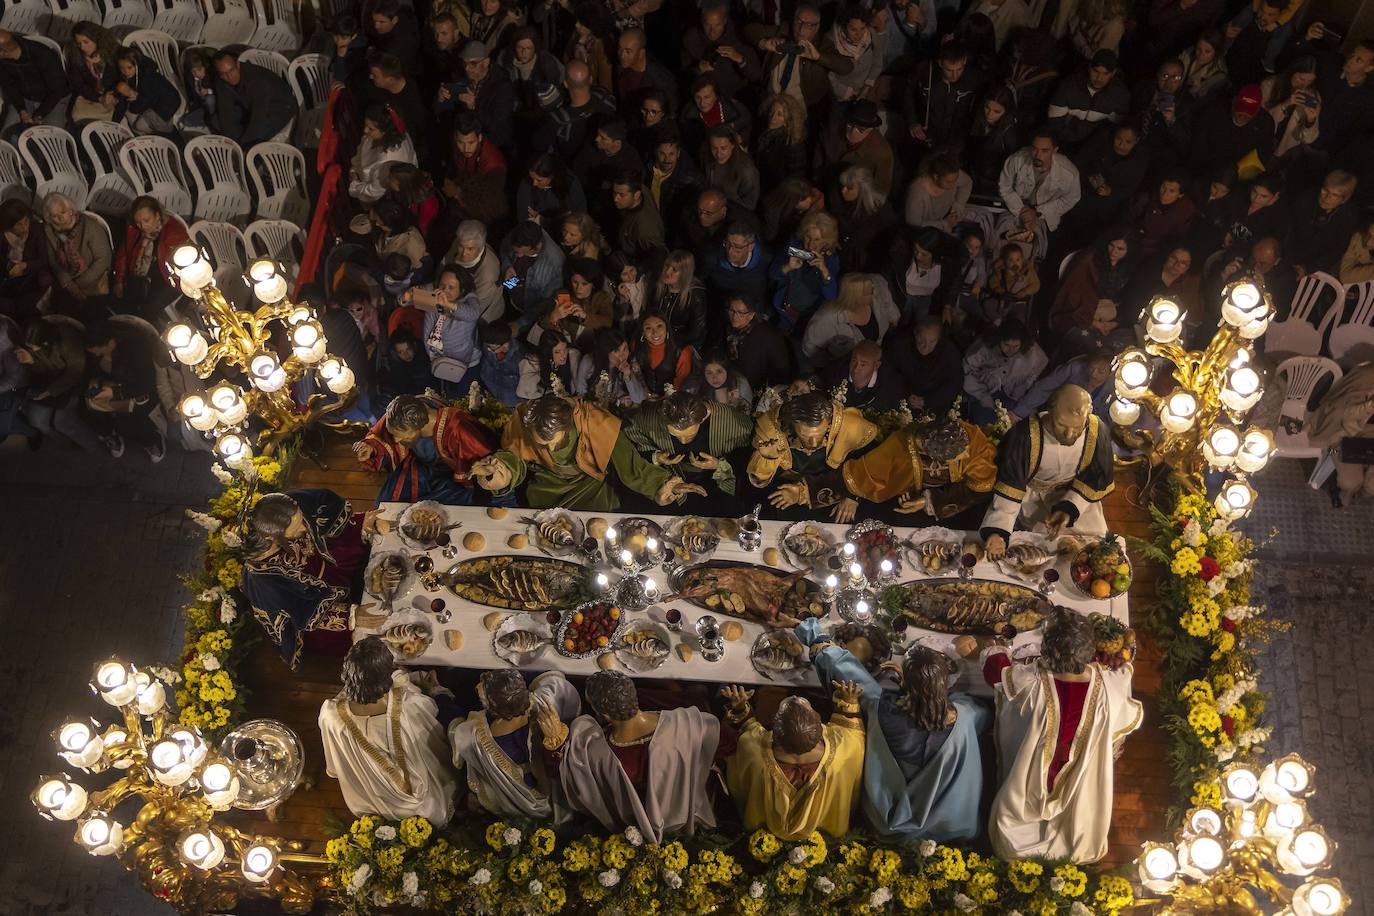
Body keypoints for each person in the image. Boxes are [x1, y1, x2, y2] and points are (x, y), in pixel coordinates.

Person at [798, 621, 989, 842]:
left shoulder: (882, 710)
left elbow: (848, 674)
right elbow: (984, 714)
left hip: (886, 821)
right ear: (944, 684)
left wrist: (816, 637)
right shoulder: (965, 717)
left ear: (905, 681)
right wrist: (920, 693)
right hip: (947, 827)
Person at [984, 609, 1142, 862]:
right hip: (1079, 777)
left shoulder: (1030, 681)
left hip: (1031, 778)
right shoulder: (1110, 689)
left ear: (1046, 649)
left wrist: (997, 649)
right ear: (1089, 652)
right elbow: (1125, 718)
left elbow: (995, 672)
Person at [539, 669, 724, 842]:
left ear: (604, 714)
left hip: (629, 821)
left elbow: (565, 776)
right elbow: (727, 741)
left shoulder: (599, 753)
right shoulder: (686, 724)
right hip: (683, 813)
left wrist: (555, 740)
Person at [471, 392, 704, 510]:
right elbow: (515, 458)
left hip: (590, 490)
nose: (549, 449)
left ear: (568, 425)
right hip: (545, 492)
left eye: (554, 442)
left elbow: (631, 465)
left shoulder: (593, 421)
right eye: (542, 444)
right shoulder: (523, 420)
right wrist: (500, 471)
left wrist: (665, 485)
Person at [319, 637, 458, 825]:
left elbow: (335, 764)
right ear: (385, 674)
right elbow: (434, 735)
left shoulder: (331, 714)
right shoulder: (408, 707)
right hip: (421, 802)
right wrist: (434, 691)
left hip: (368, 798)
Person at [241, 489, 380, 668]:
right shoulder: (264, 581)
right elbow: (298, 610)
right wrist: (351, 617)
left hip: (327, 567)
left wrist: (361, 524)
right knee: (370, 633)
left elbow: (321, 503)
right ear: (271, 536)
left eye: (301, 520)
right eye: (297, 528)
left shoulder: (284, 507)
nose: (306, 528)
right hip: (308, 607)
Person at [722, 677, 865, 839]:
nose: (797, 697)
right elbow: (851, 728)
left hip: (765, 837)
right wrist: (849, 701)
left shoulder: (754, 752)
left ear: (774, 732)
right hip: (825, 838)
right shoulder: (843, 752)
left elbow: (746, 731)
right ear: (819, 728)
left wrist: (741, 708)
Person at [982, 385, 1115, 557]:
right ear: (1049, 411)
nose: (1069, 435)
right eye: (1061, 425)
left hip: (1076, 495)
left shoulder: (1097, 433)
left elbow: (1095, 478)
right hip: (1034, 495)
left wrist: (1069, 509)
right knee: (1038, 550)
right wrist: (998, 531)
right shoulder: (1026, 435)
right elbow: (1011, 484)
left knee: (1094, 545)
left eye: (1077, 428)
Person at [450, 669, 580, 820]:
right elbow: (556, 685)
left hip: (521, 791)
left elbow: (461, 737)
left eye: (483, 700)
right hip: (546, 783)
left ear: (494, 708)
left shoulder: (484, 739)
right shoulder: (540, 703)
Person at [751, 390, 880, 522]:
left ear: (829, 424)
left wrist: (852, 496)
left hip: (836, 487)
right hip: (787, 490)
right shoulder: (773, 430)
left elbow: (867, 464)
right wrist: (768, 459)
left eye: (819, 434)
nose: (813, 443)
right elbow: (760, 481)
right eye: (805, 436)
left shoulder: (849, 427)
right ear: (793, 425)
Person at [840, 415, 997, 521]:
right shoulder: (900, 444)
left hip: (946, 504)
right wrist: (853, 494)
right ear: (935, 457)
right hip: (900, 498)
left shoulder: (973, 441)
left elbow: (980, 488)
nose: (966, 454)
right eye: (958, 456)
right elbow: (870, 469)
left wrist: (928, 501)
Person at [354, 393, 496, 504]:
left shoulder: (457, 427)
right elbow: (384, 436)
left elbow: (481, 462)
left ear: (419, 427)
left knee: (436, 508)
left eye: (402, 437)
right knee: (388, 502)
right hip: (419, 467)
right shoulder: (403, 411)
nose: (396, 440)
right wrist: (372, 449)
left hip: (453, 477)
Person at [622, 388, 754, 503]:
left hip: (715, 484)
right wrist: (656, 457)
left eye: (689, 436)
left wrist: (719, 465)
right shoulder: (649, 418)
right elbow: (631, 444)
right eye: (675, 436)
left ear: (702, 419)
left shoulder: (733, 422)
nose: (683, 442)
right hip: (671, 478)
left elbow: (745, 458)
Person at [747, 3, 854, 113]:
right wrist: (764, 43)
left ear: (817, 27)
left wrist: (818, 57)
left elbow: (847, 67)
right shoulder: (783, 31)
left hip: (798, 107)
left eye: (809, 25)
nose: (801, 29)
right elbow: (749, 30)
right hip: (771, 99)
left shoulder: (823, 44)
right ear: (793, 20)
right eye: (799, 22)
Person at [996, 131, 1082, 259]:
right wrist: (1022, 211)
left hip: (1044, 213)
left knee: (1037, 251)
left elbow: (1070, 199)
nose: (1037, 155)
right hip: (1015, 206)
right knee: (1000, 242)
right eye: (1034, 149)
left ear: (1055, 150)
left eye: (1044, 151)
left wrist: (1036, 212)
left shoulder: (1069, 173)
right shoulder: (1017, 160)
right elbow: (1004, 187)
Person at [1308, 364, 1374, 507]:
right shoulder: (1367, 376)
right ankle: (1348, 491)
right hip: (1344, 433)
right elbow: (1339, 413)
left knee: (1372, 485)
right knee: (1351, 483)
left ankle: (1361, 495)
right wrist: (1369, 406)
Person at [962, 319, 1048, 425]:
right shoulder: (983, 347)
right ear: (999, 340)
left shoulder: (1033, 352)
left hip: (1013, 395)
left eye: (1016, 346)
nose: (1011, 350)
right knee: (984, 423)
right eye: (1007, 345)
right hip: (983, 390)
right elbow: (966, 371)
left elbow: (1039, 368)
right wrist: (982, 394)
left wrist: (1022, 388)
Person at [903, 42, 982, 158]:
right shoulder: (925, 71)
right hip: (926, 137)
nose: (955, 75)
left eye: (959, 69)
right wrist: (912, 122)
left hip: (955, 141)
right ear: (940, 63)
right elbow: (908, 95)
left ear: (965, 60)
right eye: (949, 70)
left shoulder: (974, 78)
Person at [42, 192, 111, 321]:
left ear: (70, 211)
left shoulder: (90, 226)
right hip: (67, 281)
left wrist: (79, 284)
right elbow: (54, 262)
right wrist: (69, 285)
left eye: (62, 212)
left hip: (93, 280)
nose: (60, 218)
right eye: (54, 216)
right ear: (49, 218)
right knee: (63, 317)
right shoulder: (49, 230)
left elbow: (103, 259)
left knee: (92, 317)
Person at [802, 273, 900, 364]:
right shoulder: (826, 319)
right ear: (855, 297)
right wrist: (831, 364)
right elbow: (810, 349)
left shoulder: (876, 294)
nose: (875, 293)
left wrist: (893, 318)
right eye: (869, 292)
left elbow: (887, 301)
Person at [209, 49, 298, 147]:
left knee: (257, 135)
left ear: (238, 65)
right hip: (249, 104)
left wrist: (245, 144)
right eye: (224, 74)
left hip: (280, 107)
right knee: (217, 120)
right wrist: (234, 143)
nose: (229, 77)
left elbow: (259, 115)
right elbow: (225, 111)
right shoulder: (221, 79)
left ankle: (250, 150)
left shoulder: (257, 81)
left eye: (232, 70)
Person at [1046, 50, 1130, 152]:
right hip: (1062, 141)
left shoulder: (1119, 95)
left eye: (1105, 74)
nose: (1099, 78)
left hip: (1092, 147)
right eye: (1096, 71)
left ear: (1113, 73)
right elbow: (1054, 123)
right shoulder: (1069, 86)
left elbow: (1117, 126)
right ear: (1089, 68)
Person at [1051, 233, 1134, 336]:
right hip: (1084, 311)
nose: (1114, 251)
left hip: (1108, 312)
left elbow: (1126, 297)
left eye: (1120, 249)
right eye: (1111, 245)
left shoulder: (1126, 267)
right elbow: (1073, 295)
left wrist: (1115, 323)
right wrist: (1094, 322)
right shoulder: (1089, 260)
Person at [770, 210, 840, 331]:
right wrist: (788, 267)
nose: (811, 244)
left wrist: (824, 271)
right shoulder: (795, 247)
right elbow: (772, 274)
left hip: (807, 319)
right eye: (808, 237)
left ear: (826, 241)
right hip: (783, 310)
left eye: (817, 240)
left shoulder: (830, 260)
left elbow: (831, 296)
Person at [682, 0, 762, 103]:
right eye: (707, 25)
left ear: (725, 21)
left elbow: (756, 75)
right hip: (703, 102)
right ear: (702, 21)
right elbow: (683, 78)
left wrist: (740, 59)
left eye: (717, 25)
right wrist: (698, 70)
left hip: (735, 100)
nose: (712, 31)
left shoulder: (739, 36)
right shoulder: (691, 38)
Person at [813, 99, 893, 198]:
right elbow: (818, 158)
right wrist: (816, 182)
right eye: (850, 124)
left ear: (870, 130)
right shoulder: (832, 131)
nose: (852, 131)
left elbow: (880, 192)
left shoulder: (882, 153)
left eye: (860, 129)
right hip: (824, 189)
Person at [1286, 170, 1358, 277]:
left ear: (1343, 200)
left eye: (1334, 195)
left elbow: (1337, 250)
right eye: (1325, 190)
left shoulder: (1346, 218)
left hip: (1315, 267)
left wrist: (1308, 268)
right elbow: (1288, 231)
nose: (1327, 197)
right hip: (1287, 256)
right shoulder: (1304, 201)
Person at [890, 317, 964, 417]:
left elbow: (954, 383)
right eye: (921, 340)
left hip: (935, 404)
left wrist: (927, 401)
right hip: (903, 400)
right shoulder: (901, 346)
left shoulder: (949, 353)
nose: (925, 346)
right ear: (916, 335)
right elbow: (892, 375)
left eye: (932, 342)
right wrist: (906, 395)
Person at [1012, 351, 1115, 423]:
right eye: (1092, 367)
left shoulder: (1116, 389)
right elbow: (1044, 388)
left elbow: (1109, 421)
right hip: (1054, 415)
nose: (1094, 374)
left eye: (1101, 371)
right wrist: (1018, 413)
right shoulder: (1075, 367)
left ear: (1110, 373)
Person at [0, 29, 69, 134]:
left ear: (4, 51)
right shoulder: (2, 61)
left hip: (53, 100)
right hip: (25, 98)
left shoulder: (43, 54)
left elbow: (56, 90)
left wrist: (39, 115)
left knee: (52, 135)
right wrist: (22, 110)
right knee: (7, 134)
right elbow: (9, 86)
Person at [349, 105, 418, 205]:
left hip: (370, 190)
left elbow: (373, 191)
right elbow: (362, 148)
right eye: (365, 125)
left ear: (385, 132)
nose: (365, 130)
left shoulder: (386, 163)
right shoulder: (390, 133)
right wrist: (354, 168)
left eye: (370, 128)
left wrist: (354, 184)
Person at [834, 165, 897, 273]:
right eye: (843, 186)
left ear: (863, 189)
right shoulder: (847, 204)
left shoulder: (879, 213)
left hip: (867, 264)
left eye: (849, 188)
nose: (843, 190)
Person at [724, 294, 792, 392]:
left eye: (741, 313)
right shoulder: (728, 328)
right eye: (732, 311)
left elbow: (781, 370)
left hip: (755, 390)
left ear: (751, 315)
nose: (735, 316)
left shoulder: (767, 337)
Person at [0, 199, 52, 322]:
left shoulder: (36, 229)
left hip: (31, 273)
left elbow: (44, 259)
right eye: (19, 224)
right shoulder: (3, 234)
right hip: (8, 274)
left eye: (26, 221)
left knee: (25, 307)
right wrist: (9, 267)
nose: (25, 227)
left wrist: (25, 265)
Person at [704, 222, 772, 312]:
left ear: (751, 247)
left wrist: (767, 310)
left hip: (753, 312)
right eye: (728, 244)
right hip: (721, 310)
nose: (730, 251)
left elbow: (772, 288)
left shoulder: (766, 260)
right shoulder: (712, 258)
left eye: (738, 247)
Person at [112, 48, 180, 137]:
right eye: (122, 68)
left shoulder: (147, 78)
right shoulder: (128, 76)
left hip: (166, 105)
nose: (126, 71)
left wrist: (134, 106)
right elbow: (123, 97)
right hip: (154, 101)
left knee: (139, 126)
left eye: (129, 67)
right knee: (131, 114)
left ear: (136, 65)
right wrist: (114, 123)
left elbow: (145, 100)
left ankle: (167, 134)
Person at [1124, 174, 1196, 258]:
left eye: (1171, 191)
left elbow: (1177, 238)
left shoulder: (1185, 210)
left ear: (1180, 194)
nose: (1165, 193)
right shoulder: (1144, 199)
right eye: (1163, 188)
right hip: (1132, 244)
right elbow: (1126, 222)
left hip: (1158, 252)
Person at [64, 23, 120, 125]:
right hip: (91, 96)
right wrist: (98, 97)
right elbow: (78, 85)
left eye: (86, 42)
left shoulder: (112, 53)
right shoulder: (76, 57)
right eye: (79, 43)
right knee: (78, 116)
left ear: (96, 39)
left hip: (112, 94)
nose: (82, 47)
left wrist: (113, 94)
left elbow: (123, 76)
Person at [905, 152, 972, 231]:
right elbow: (913, 224)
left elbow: (967, 182)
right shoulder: (917, 193)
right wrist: (944, 223)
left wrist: (958, 205)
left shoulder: (951, 175)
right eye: (949, 182)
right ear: (936, 176)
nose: (954, 185)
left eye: (956, 180)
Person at [754, 94, 807, 193]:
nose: (773, 118)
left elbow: (794, 179)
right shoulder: (763, 133)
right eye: (771, 112)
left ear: (788, 120)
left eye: (779, 115)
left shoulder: (793, 145)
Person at [701, 126, 761, 211]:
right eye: (714, 148)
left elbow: (750, 204)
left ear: (732, 145)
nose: (718, 154)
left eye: (723, 148)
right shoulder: (707, 157)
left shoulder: (747, 171)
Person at [612, 174, 665, 258]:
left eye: (621, 195)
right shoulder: (638, 189)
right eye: (614, 193)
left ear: (637, 195)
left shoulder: (644, 229)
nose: (615, 199)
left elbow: (653, 257)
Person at [518, 330, 580, 399]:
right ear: (547, 352)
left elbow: (576, 384)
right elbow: (524, 392)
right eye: (557, 352)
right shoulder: (533, 363)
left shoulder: (572, 355)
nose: (563, 355)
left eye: (565, 349)